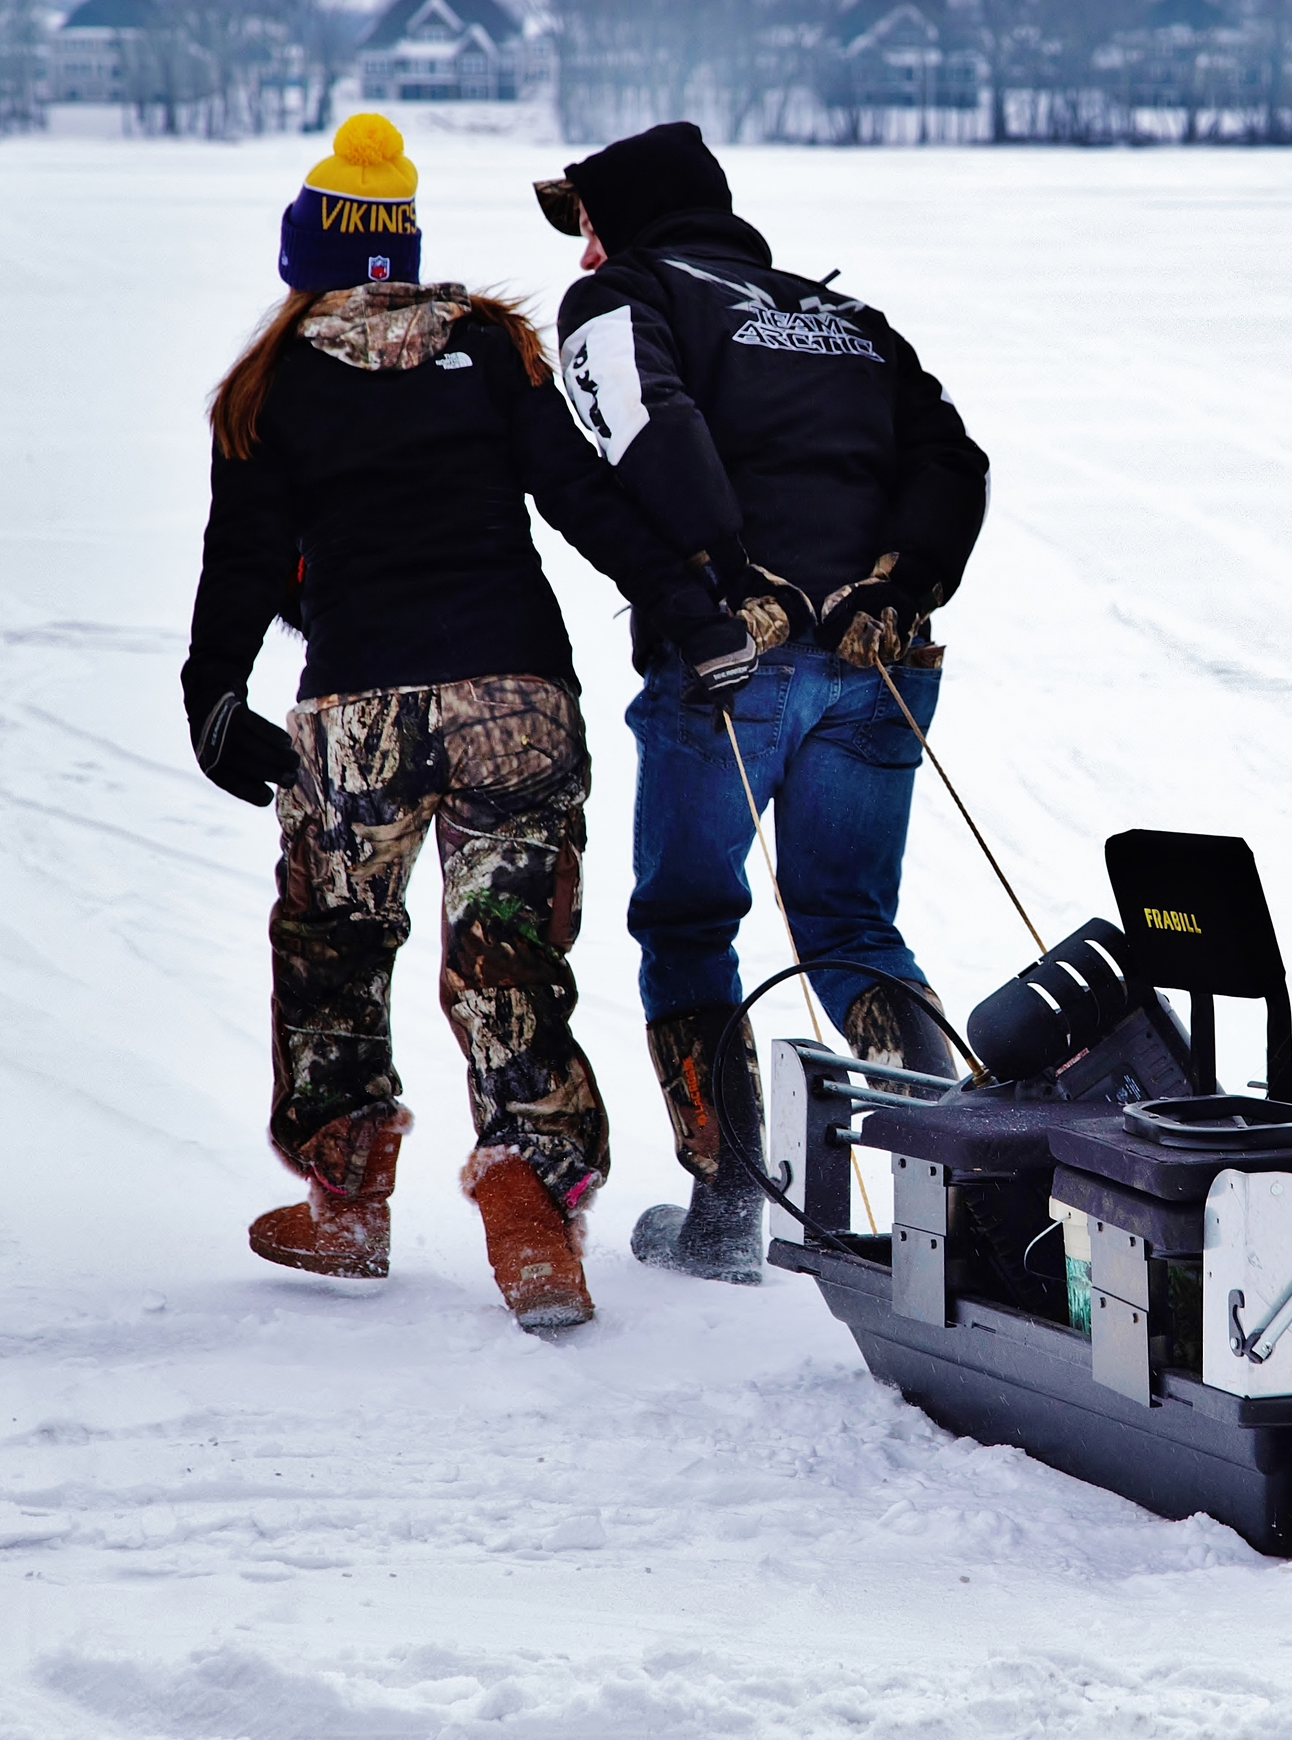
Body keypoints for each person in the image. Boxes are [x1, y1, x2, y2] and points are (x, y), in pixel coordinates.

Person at [183, 114, 717, 1335]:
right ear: (405, 248)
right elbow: (588, 501)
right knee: (509, 950)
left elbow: (243, 559)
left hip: (357, 710)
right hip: (515, 701)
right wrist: (690, 607)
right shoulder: (493, 347)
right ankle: (531, 1206)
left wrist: (213, 693)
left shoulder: (267, 387)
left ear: (307, 253)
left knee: (332, 940)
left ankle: (347, 1198)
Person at [531, 122, 991, 1283]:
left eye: (584, 220)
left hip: (737, 660)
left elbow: (645, 419)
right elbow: (954, 460)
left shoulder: (626, 298)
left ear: (623, 215)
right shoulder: (845, 319)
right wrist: (899, 583)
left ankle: (728, 1209)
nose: (581, 247)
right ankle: (969, 1194)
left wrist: (730, 575)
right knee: (852, 929)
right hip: (881, 660)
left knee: (689, 921)